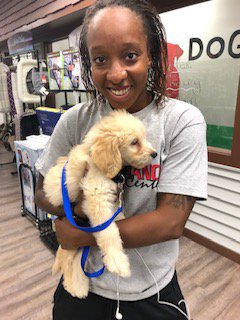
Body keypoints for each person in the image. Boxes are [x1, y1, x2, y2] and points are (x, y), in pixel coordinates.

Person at [35, 0, 208, 319]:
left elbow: (170, 222)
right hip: (84, 285)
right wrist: (77, 196)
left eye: (130, 56)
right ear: (89, 63)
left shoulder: (181, 121)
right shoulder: (74, 121)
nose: (116, 74)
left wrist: (83, 234)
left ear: (152, 55)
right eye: (101, 59)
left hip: (151, 292)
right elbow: (42, 192)